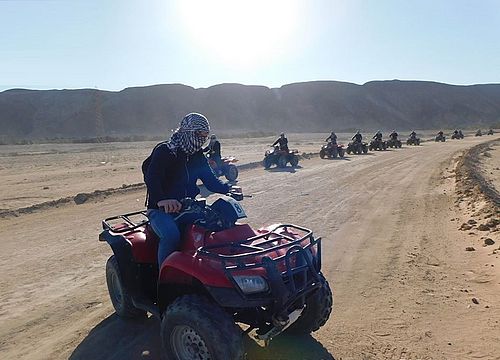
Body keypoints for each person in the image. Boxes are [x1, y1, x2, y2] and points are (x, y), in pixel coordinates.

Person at [144, 113, 233, 267]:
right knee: (171, 235)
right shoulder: (166, 150)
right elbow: (152, 178)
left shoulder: (197, 155)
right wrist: (162, 200)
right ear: (188, 131)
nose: (202, 139)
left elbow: (210, 180)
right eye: (199, 133)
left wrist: (228, 189)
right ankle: (165, 278)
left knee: (217, 227)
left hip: (189, 207)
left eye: (206, 135)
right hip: (161, 210)